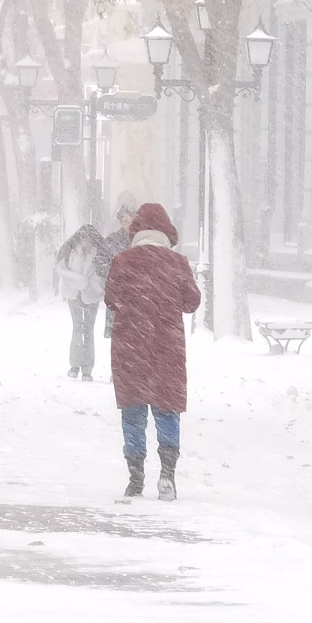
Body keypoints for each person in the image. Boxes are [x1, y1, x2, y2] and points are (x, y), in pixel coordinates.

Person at [104, 202, 199, 501]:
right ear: (166, 232)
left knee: (133, 414)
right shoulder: (178, 263)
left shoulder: (122, 261)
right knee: (167, 411)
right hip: (166, 349)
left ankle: (135, 478)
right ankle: (167, 474)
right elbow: (191, 303)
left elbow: (111, 299)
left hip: (130, 349)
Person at [56, 223, 105, 380]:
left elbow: (102, 275)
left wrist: (96, 288)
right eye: (83, 238)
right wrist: (78, 281)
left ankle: (87, 369)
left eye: (89, 239)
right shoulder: (70, 251)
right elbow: (62, 270)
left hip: (92, 296)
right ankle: (75, 365)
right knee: (77, 328)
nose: (86, 242)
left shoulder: (99, 253)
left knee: (88, 330)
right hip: (74, 295)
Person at [94, 192, 138, 343]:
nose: (127, 224)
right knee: (119, 342)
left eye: (130, 220)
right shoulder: (111, 241)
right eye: (124, 220)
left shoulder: (142, 240)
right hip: (118, 296)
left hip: (139, 298)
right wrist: (115, 273)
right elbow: (99, 263)